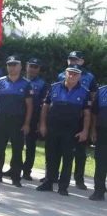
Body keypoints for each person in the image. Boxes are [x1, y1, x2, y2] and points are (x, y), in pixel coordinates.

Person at [36, 64, 92, 196]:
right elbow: (45, 106)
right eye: (70, 73)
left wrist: (85, 131)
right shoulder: (54, 87)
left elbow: (87, 114)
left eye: (75, 74)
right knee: (51, 156)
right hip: (53, 127)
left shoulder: (85, 92)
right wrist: (43, 124)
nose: (72, 75)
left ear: (79, 76)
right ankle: (48, 182)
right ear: (65, 73)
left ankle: (63, 187)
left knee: (67, 159)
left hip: (71, 130)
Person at [56, 51, 98, 190]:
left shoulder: (90, 77)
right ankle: (53, 176)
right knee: (58, 148)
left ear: (82, 61)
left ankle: (79, 179)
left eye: (76, 59)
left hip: (81, 119)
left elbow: (93, 97)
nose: (73, 61)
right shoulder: (62, 75)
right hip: (64, 119)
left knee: (80, 151)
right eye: (71, 59)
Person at [0, 56, 33, 187]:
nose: (12, 67)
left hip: (17, 121)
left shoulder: (26, 84)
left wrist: (26, 123)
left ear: (20, 67)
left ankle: (16, 177)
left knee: (17, 150)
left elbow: (29, 106)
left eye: (15, 65)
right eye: (9, 65)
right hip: (0, 120)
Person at [21, 58, 48, 181]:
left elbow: (44, 104)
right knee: (17, 144)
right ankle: (14, 168)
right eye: (30, 66)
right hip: (18, 117)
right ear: (26, 66)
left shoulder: (42, 84)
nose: (32, 69)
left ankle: (27, 171)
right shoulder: (19, 80)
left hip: (33, 119)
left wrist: (40, 122)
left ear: (38, 69)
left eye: (35, 67)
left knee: (30, 146)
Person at [89, 85, 107, 201]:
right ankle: (99, 190)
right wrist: (93, 129)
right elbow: (94, 113)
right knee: (101, 161)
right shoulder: (101, 91)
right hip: (103, 131)